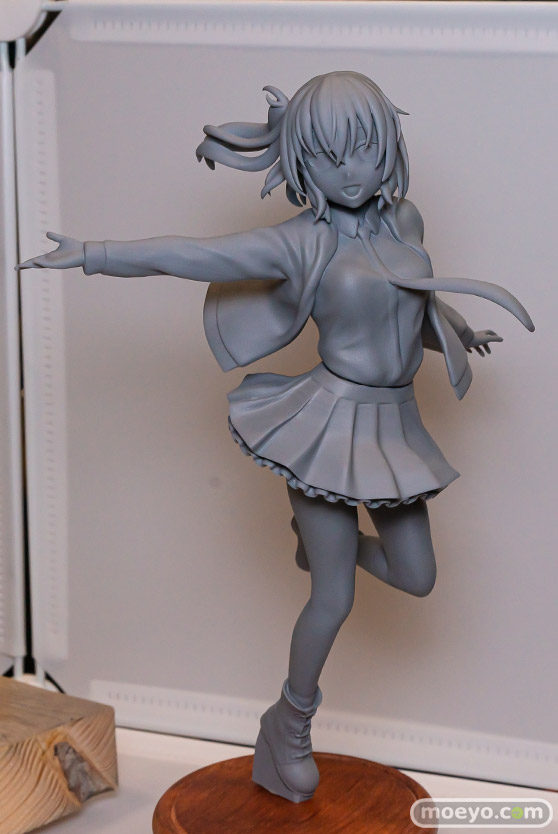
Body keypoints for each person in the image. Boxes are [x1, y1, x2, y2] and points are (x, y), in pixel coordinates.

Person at [17, 71, 534, 803]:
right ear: (300, 160)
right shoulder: (299, 242)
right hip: (326, 425)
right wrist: (94, 251)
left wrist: (453, 331)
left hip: (394, 425)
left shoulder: (404, 220)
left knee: (417, 576)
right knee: (333, 598)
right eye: (328, 155)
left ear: (389, 147)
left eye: (364, 149)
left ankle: (315, 544)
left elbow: (409, 297)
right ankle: (288, 723)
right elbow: (192, 255)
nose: (350, 171)